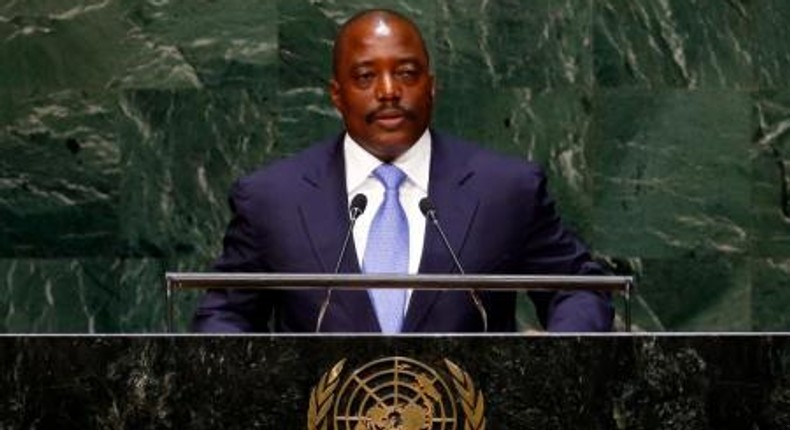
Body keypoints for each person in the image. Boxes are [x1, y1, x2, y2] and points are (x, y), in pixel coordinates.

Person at [191, 9, 613, 333]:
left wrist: (563, 352)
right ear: (337, 96)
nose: (389, 91)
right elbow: (224, 313)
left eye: (406, 74)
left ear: (431, 86)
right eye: (365, 76)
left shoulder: (505, 189)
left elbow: (578, 286)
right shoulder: (271, 199)